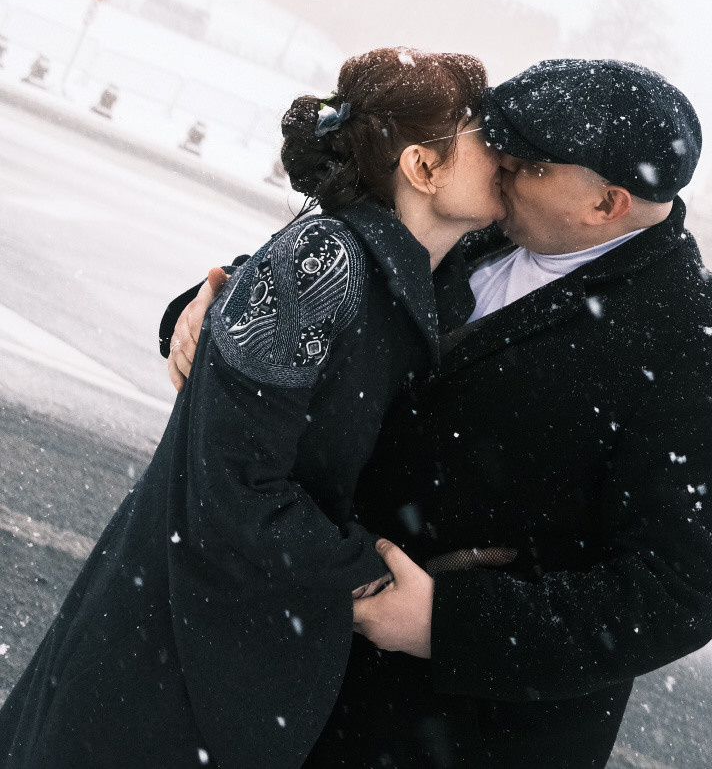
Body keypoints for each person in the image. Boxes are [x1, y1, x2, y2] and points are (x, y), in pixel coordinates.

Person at [166, 58, 712, 769]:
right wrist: (200, 311)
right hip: (287, 675)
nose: (498, 164)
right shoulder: (475, 223)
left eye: (528, 162)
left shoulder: (704, 343)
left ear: (606, 205)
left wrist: (447, 624)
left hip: (459, 735)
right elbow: (312, 282)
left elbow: (677, 593)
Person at [0, 47, 506, 769]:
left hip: (249, 641)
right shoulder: (325, 256)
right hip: (181, 637)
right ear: (423, 168)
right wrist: (375, 574)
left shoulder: (427, 268)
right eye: (486, 137)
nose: (508, 152)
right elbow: (235, 483)